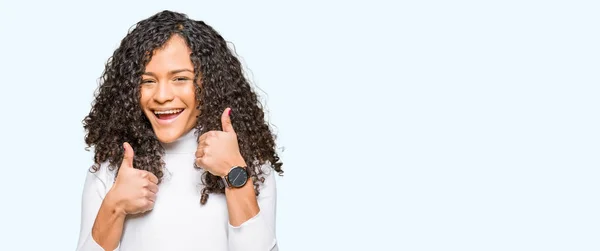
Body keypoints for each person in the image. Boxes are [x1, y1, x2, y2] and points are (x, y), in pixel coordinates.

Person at [75, 10, 284, 251]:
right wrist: (114, 207)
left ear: (210, 83)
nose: (162, 96)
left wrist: (234, 173)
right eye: (148, 81)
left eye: (180, 79)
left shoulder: (251, 165)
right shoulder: (112, 167)